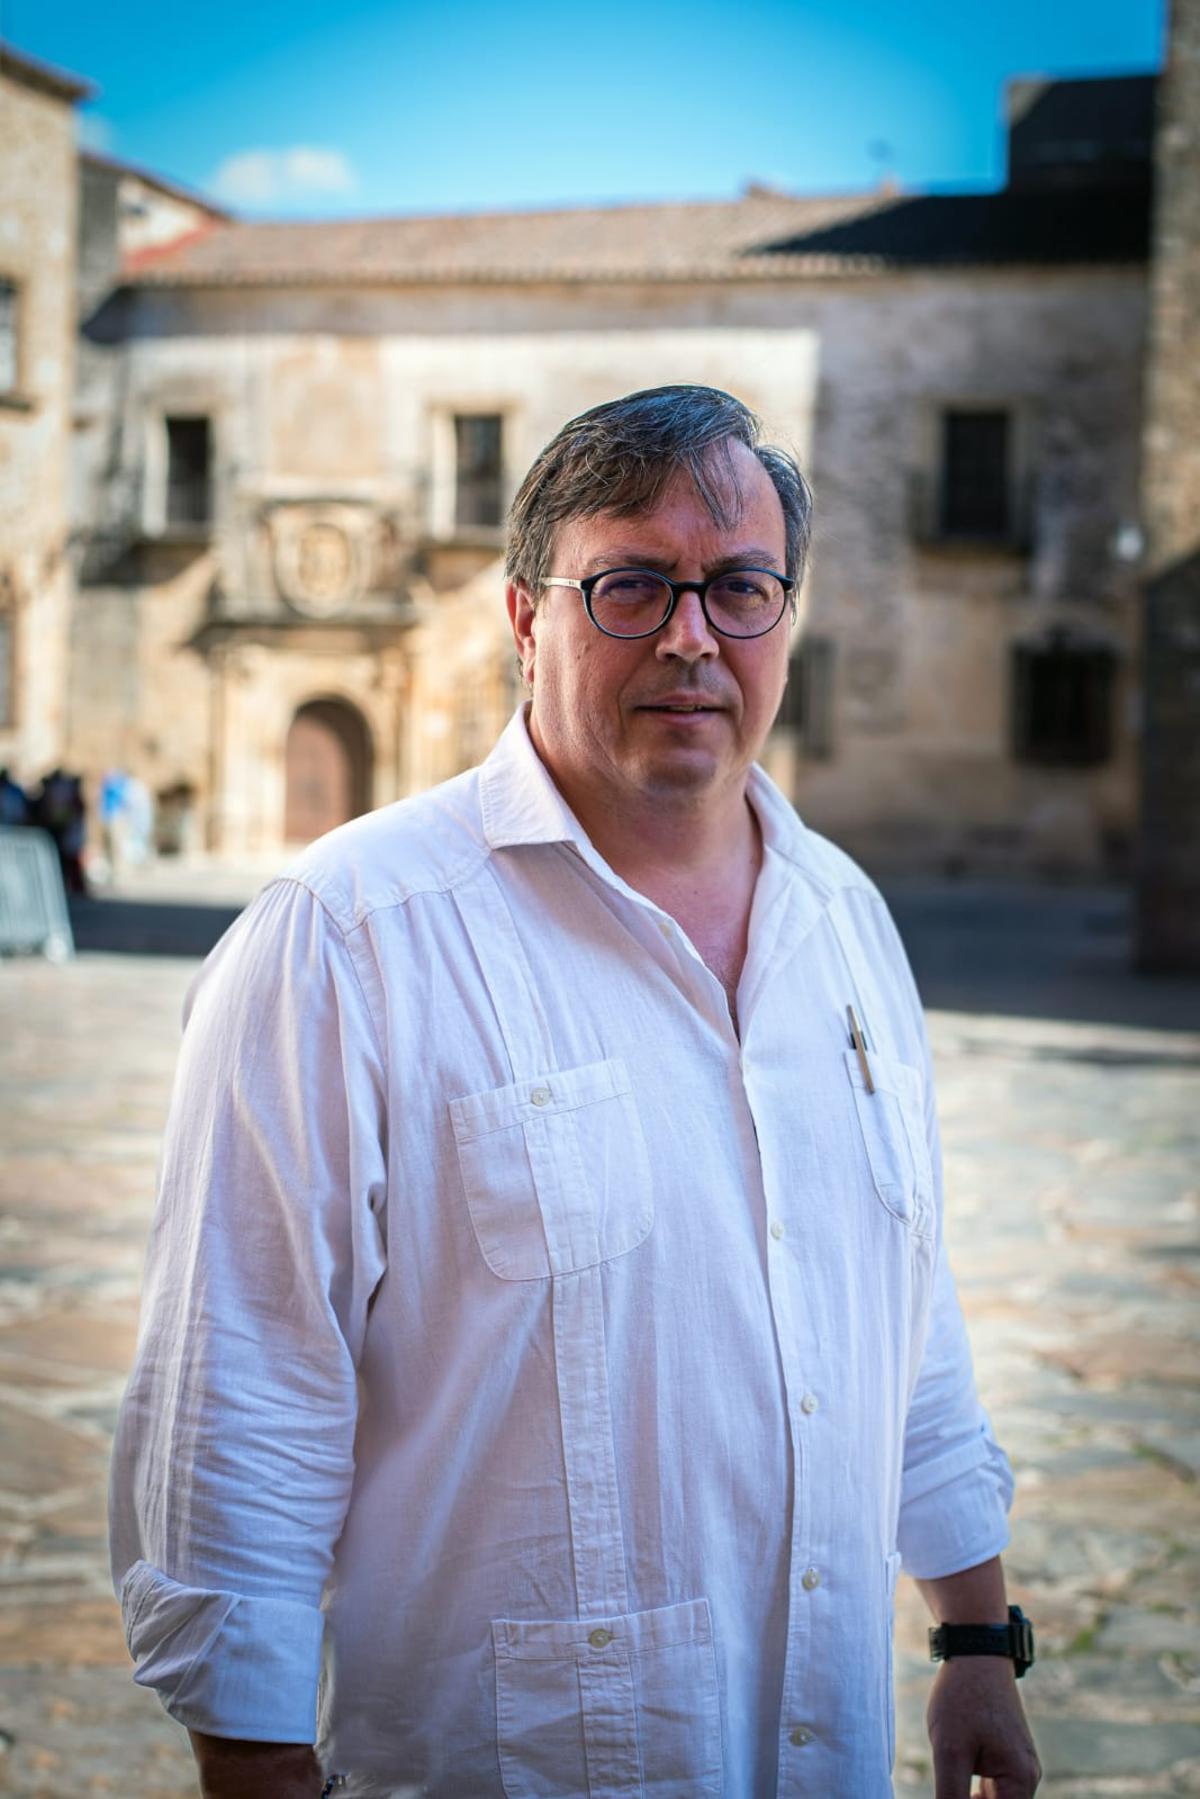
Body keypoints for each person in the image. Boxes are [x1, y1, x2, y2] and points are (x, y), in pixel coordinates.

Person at [110, 386, 1041, 1799]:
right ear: (525, 620)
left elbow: (903, 1302)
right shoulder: (349, 939)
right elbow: (242, 1388)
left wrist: (979, 1637)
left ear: (786, 615)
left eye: (739, 587)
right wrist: (252, 1765)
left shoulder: (846, 918)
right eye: (629, 586)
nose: (690, 635)